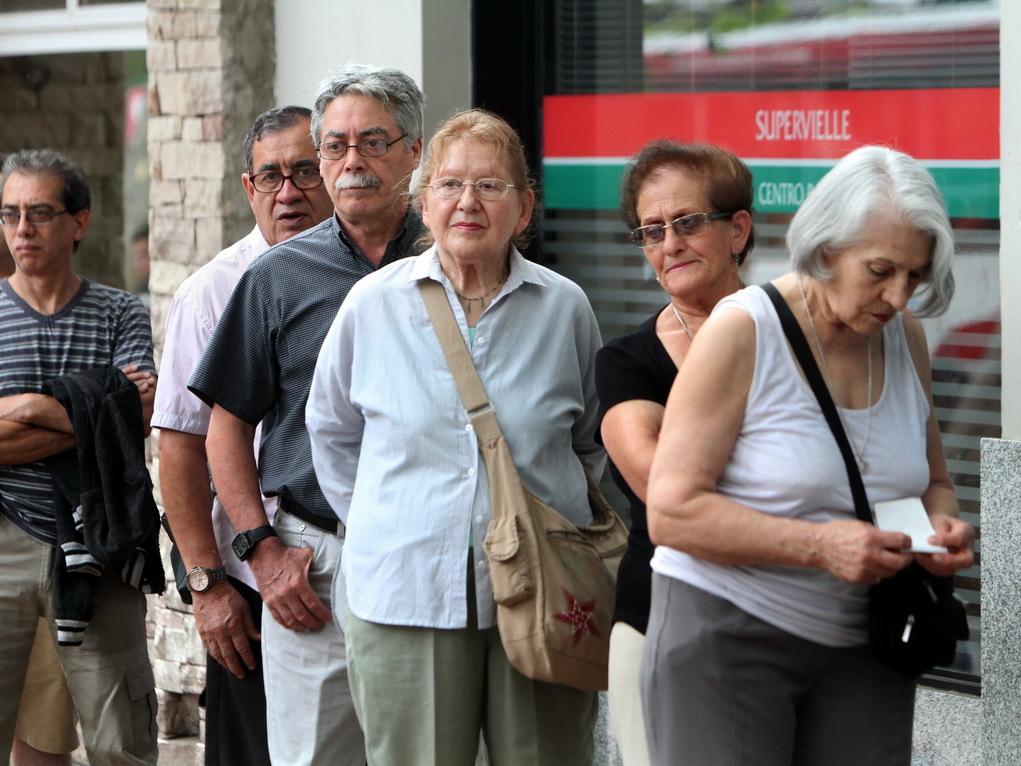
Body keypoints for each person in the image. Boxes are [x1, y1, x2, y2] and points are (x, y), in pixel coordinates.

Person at [642, 145, 975, 765]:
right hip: (728, 635)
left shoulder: (905, 337)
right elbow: (671, 512)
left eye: (914, 276)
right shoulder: (744, 329)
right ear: (825, 248)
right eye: (880, 270)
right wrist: (821, 545)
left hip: (869, 643)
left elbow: (932, 481)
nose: (897, 296)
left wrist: (938, 530)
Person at [307, 108, 605, 766]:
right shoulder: (372, 306)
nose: (467, 202)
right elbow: (331, 434)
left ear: (523, 209)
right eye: (449, 184)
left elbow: (588, 440)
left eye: (490, 186)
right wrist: (387, 521)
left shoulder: (564, 308)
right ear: (423, 202)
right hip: (404, 590)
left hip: (544, 589)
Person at [189, 64, 425, 766]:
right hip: (314, 562)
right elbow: (225, 428)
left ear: (414, 150)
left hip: (431, 553)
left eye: (373, 141)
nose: (352, 161)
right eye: (336, 145)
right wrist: (260, 550)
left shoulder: (451, 258)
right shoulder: (276, 276)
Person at [153, 105, 332, 766]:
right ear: (248, 187)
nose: (289, 192)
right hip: (252, 586)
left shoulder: (372, 276)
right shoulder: (211, 292)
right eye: (271, 176)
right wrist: (207, 588)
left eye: (305, 171)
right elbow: (180, 448)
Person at [595, 140, 753, 765]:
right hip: (659, 621)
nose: (669, 244)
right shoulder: (626, 361)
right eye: (651, 231)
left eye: (687, 222)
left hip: (789, 623)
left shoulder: (800, 337)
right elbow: (664, 493)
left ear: (737, 229)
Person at [0, 149, 158, 765]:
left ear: (79, 222)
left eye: (40, 213)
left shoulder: (121, 312)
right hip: (5, 537)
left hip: (104, 540)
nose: (22, 229)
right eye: (10, 213)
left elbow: (137, 416)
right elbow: (115, 415)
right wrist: (96, 411)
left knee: (121, 742)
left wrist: (21, 408)